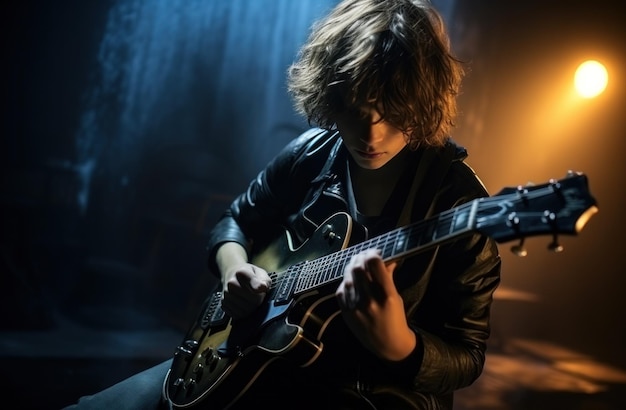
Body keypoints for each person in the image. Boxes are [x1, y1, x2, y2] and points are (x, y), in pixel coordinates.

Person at [64, 0, 501, 409]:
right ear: (332, 98)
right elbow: (235, 220)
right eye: (353, 110)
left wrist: (399, 344)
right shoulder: (313, 151)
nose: (371, 135)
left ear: (422, 100)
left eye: (391, 112)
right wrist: (235, 270)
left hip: (374, 394)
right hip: (253, 358)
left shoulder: (460, 202)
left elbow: (467, 355)